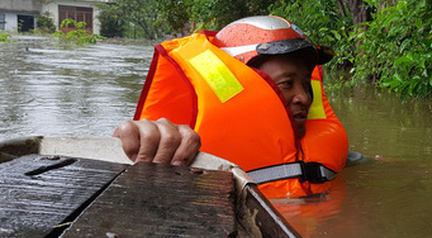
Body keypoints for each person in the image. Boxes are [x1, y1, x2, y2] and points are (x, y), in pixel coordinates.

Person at [114, 15, 349, 198]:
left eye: (306, 85)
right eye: (286, 84)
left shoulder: (333, 153)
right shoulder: (188, 148)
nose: (304, 98)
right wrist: (147, 140)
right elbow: (148, 141)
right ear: (245, 84)